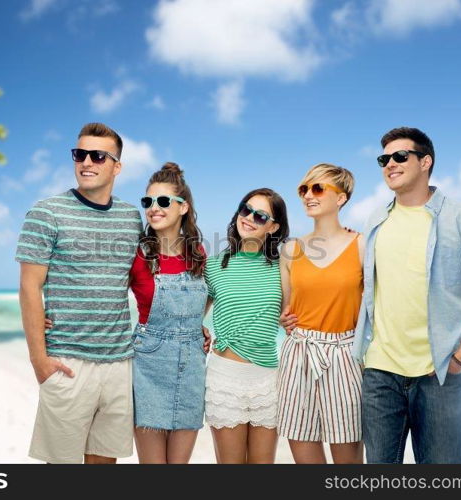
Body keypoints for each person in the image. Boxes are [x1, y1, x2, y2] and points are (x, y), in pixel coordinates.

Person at [352, 126, 461, 464]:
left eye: (399, 156)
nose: (389, 164)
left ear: (425, 162)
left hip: (438, 374)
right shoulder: (376, 219)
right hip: (379, 373)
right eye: (383, 159)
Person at [16, 122, 143, 464]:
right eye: (80, 154)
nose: (87, 162)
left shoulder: (132, 217)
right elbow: (30, 287)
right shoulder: (46, 212)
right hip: (67, 362)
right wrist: (38, 360)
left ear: (117, 166)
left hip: (119, 363)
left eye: (98, 156)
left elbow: (142, 283)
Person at [277, 164, 365, 464]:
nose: (308, 196)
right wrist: (283, 318)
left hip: (345, 356)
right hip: (298, 355)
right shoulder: (290, 250)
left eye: (318, 188)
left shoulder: (362, 245)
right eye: (304, 190)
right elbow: (285, 310)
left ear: (341, 198)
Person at [129, 162, 210, 463]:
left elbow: (214, 295)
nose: (153, 208)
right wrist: (56, 316)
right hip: (147, 365)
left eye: (163, 201)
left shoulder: (199, 254)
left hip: (191, 367)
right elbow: (104, 296)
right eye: (147, 202)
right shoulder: (138, 256)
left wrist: (199, 324)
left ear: (183, 207)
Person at [203, 188, 289, 463]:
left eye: (260, 216)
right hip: (224, 378)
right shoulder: (214, 266)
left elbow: (295, 311)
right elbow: (193, 316)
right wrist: (201, 330)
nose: (249, 218)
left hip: (268, 380)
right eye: (245, 209)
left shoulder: (283, 267)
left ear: (273, 227)